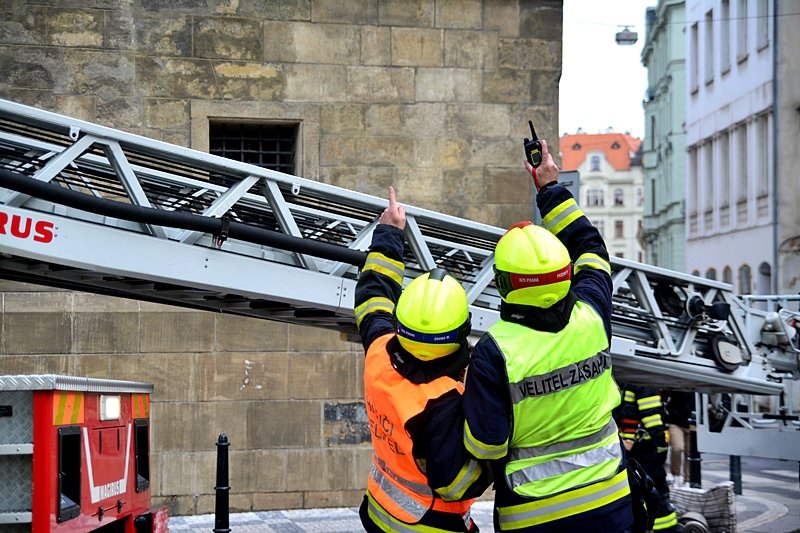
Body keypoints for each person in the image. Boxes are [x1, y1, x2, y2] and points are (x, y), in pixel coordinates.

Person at [462, 139, 634, 532]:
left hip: (535, 518)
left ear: (504, 283)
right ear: (564, 271)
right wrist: (550, 188)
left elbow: (485, 446)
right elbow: (591, 249)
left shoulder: (495, 352)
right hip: (610, 503)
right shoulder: (592, 314)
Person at [354, 186, 491, 533]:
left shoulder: (380, 351)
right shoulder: (446, 401)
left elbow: (373, 296)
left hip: (379, 511)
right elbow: (458, 484)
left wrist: (388, 234)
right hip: (429, 524)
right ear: (460, 334)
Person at [614, 384, 678, 532]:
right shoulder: (645, 385)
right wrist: (661, 446)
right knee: (657, 493)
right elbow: (651, 417)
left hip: (627, 447)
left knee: (636, 492)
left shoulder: (624, 381)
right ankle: (666, 530)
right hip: (645, 448)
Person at [664, 389, 696, 485]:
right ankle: (675, 474)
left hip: (693, 422)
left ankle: (687, 479)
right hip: (676, 421)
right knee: (677, 448)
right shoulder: (677, 383)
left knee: (690, 452)